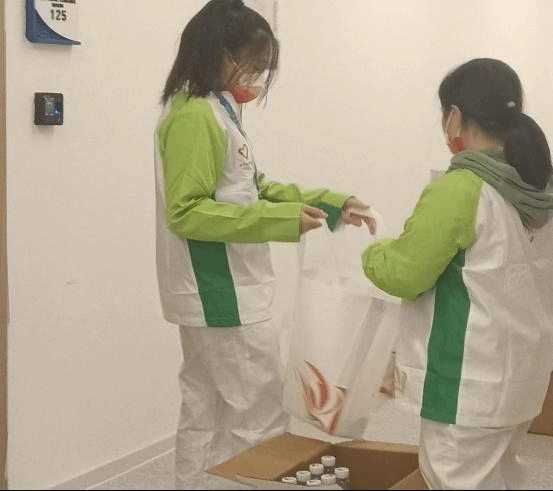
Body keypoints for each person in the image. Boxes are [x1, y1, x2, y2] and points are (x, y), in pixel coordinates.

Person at [154, 1, 375, 488]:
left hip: (214, 293)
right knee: (257, 422)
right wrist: (281, 221)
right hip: (221, 293)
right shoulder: (196, 116)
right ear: (219, 53)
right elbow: (187, 212)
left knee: (205, 409)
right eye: (251, 62)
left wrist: (331, 204)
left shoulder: (215, 110)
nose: (256, 75)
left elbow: (253, 189)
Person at [362, 58, 553, 489]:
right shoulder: (538, 188)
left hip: (466, 386)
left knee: (453, 480)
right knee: (493, 477)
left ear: (453, 116)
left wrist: (373, 252)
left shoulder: (462, 188)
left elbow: (404, 274)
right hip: (522, 381)